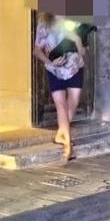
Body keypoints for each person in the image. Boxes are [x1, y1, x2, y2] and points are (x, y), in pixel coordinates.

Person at [33, 11, 87, 161]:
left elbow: (82, 45)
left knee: (74, 102)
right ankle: (68, 146)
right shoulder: (44, 25)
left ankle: (60, 134)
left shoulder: (74, 20)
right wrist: (49, 62)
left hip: (75, 67)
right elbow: (37, 50)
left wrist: (79, 45)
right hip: (54, 70)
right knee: (61, 106)